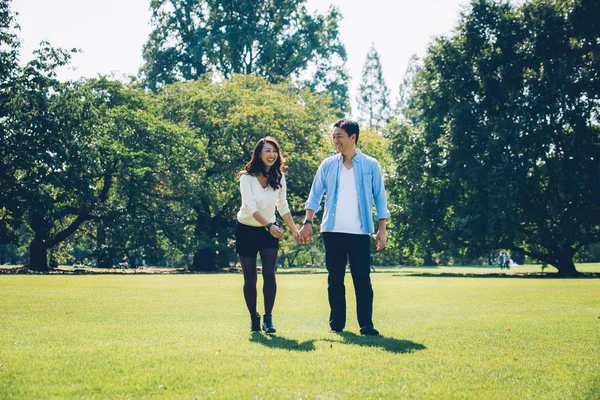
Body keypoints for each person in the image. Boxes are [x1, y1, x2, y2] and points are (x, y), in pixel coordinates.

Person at [298, 118, 389, 336]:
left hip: (360, 232)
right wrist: (307, 222)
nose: (335, 141)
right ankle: (337, 324)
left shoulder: (370, 165)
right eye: (334, 137)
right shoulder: (328, 165)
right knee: (335, 280)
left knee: (362, 279)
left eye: (339, 136)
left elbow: (380, 198)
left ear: (353, 137)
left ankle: (366, 324)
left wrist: (382, 229)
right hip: (332, 232)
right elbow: (315, 195)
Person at [236, 136, 300, 333]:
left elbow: (283, 205)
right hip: (246, 229)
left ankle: (268, 318)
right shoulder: (246, 178)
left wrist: (294, 230)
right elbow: (250, 206)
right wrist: (269, 225)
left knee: (270, 274)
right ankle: (253, 317)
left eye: (274, 151)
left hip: (268, 232)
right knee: (250, 278)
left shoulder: (279, 177)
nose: (272, 155)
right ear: (259, 154)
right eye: (267, 151)